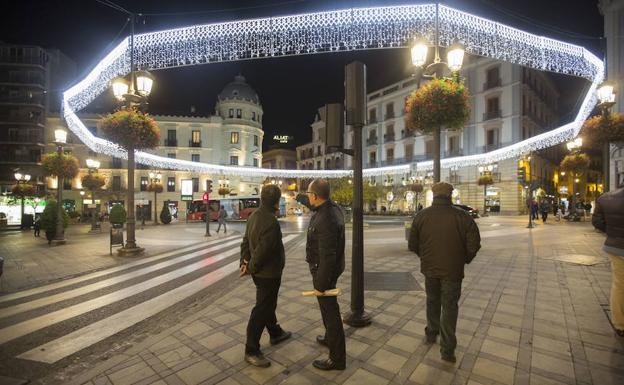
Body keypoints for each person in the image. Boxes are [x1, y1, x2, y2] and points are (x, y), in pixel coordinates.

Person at [408, 182, 481, 363]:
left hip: (430, 268)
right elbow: (474, 245)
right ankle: (447, 350)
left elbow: (412, 244)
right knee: (449, 307)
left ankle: (432, 333)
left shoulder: (421, 216)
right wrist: (462, 260)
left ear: (434, 195)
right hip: (453, 271)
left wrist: (425, 257)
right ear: (450, 195)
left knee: (432, 300)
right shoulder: (463, 217)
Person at [297, 179, 346, 371]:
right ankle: (329, 338)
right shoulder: (332, 207)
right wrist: (300, 197)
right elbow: (310, 201)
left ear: (316, 196)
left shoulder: (326, 218)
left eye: (309, 194)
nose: (308, 198)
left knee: (331, 313)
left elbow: (327, 255)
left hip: (324, 272)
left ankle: (337, 358)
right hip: (328, 270)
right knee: (327, 310)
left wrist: (321, 284)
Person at [240, 184, 292, 367]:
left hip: (259, 273)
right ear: (277, 201)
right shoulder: (271, 221)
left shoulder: (253, 216)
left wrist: (244, 263)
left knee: (268, 303)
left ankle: (275, 332)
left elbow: (245, 242)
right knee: (262, 308)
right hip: (268, 273)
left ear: (261, 198)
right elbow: (263, 251)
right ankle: (251, 349)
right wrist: (251, 267)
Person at [592, 184, 624, 338]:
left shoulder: (605, 198)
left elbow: (597, 221)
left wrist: (612, 233)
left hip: (615, 248)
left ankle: (620, 324)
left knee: (619, 284)